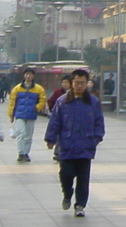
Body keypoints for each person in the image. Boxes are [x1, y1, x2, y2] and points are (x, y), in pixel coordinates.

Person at [44, 68, 105, 217]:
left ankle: (80, 205)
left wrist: (96, 138)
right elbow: (55, 121)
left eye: (82, 83)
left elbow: (99, 122)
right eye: (77, 82)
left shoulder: (93, 102)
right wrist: (51, 139)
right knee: (66, 174)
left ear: (87, 84)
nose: (79, 86)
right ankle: (67, 193)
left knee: (83, 178)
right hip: (67, 145)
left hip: (86, 146)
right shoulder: (62, 101)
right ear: (72, 83)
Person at [7, 68, 46, 162]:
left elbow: (42, 100)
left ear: (33, 76)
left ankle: (26, 153)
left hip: (31, 114)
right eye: (27, 74)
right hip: (19, 114)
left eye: (30, 74)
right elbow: (12, 102)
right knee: (21, 133)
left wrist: (37, 108)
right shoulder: (17, 88)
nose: (28, 76)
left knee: (28, 135)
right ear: (24, 75)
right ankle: (21, 153)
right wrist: (11, 114)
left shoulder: (38, 89)